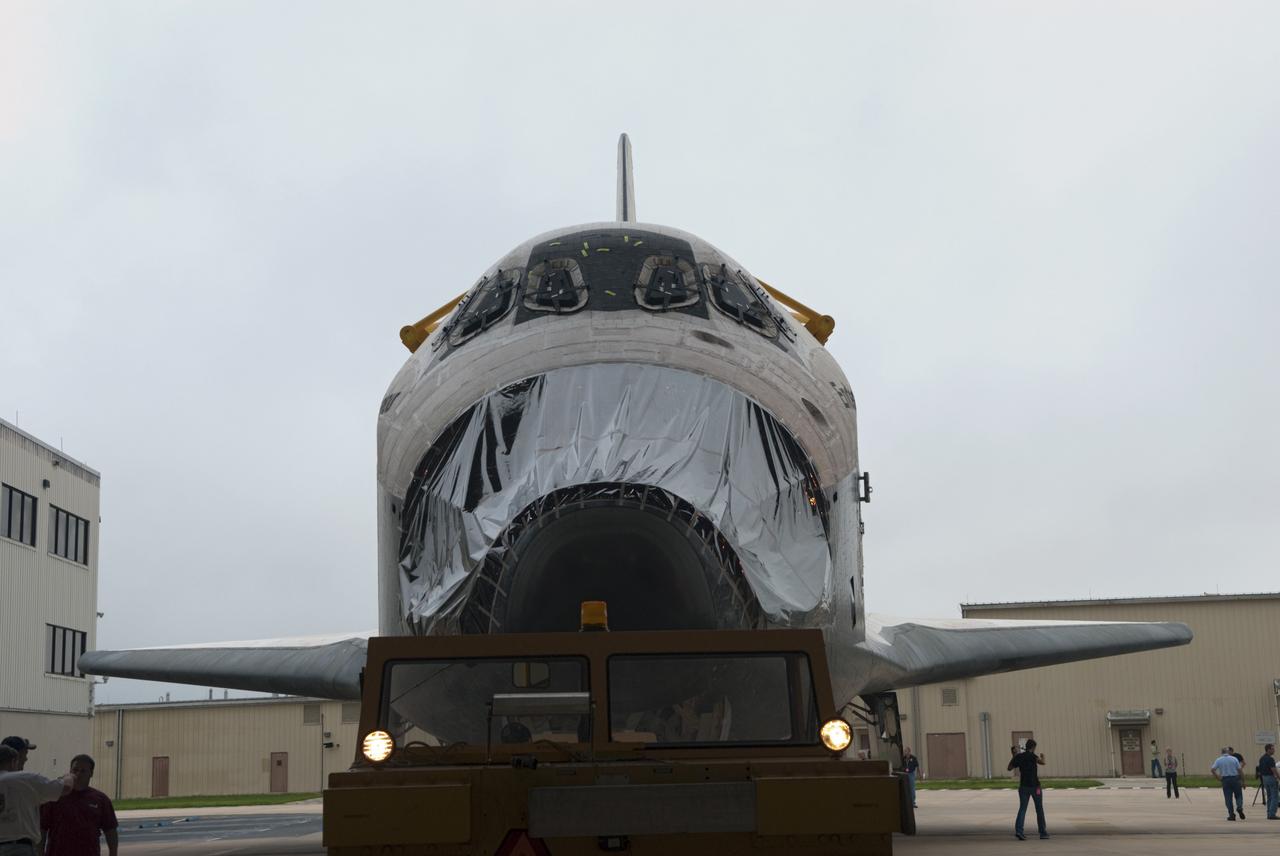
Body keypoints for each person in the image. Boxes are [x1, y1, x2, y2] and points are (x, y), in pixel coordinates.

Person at [0, 745, 74, 856]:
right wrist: (69, 776)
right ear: (13, 762)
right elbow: (65, 788)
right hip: (18, 848)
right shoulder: (24, 779)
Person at [40, 755, 118, 856]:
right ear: (70, 771)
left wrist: (113, 853)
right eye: (75, 770)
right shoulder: (55, 796)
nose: (78, 774)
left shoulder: (101, 799)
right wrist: (39, 852)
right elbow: (42, 828)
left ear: (91, 773)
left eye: (83, 771)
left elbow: (110, 830)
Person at [1007, 739, 1049, 840]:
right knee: (1039, 809)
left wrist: (1014, 755)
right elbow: (1043, 762)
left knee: (1022, 809)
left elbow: (1009, 768)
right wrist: (1043, 756)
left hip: (1023, 787)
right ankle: (1043, 833)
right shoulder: (1034, 757)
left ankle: (1019, 831)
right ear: (1033, 747)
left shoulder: (1019, 757)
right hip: (1035, 787)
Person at [1211, 746, 1246, 820]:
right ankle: (1239, 807)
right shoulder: (1234, 759)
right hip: (1235, 779)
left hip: (1225, 780)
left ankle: (1231, 814)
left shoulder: (1219, 760)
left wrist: (1218, 777)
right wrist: (1243, 781)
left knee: (1228, 798)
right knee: (1239, 795)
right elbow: (1240, 770)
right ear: (1228, 752)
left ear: (1222, 752)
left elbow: (1212, 769)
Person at [1259, 743, 1278, 821]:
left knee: (1269, 796)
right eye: (1272, 749)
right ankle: (1272, 814)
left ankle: (1269, 813)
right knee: (1275, 796)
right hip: (1270, 778)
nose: (1274, 750)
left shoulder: (1262, 758)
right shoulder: (1270, 759)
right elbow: (1273, 769)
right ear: (1268, 749)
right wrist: (1278, 777)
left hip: (1264, 778)